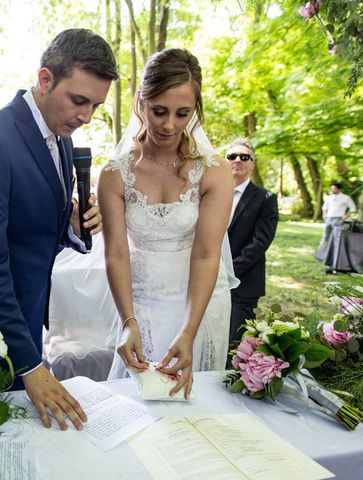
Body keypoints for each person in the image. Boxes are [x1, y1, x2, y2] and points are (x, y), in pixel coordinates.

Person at [0, 28, 117, 431]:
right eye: (79, 100)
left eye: (95, 105)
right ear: (45, 79)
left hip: (25, 327)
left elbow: (31, 232)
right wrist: (30, 364)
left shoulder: (59, 140)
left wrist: (71, 226)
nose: (86, 116)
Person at [99, 49, 233, 398]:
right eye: (158, 111)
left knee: (196, 402)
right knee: (136, 401)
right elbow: (116, 253)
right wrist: (130, 322)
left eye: (182, 113)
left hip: (200, 302)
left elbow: (206, 254)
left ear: (195, 111)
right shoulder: (115, 174)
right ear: (140, 103)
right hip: (139, 301)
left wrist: (189, 332)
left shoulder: (215, 172)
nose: (169, 124)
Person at [226, 138, 278, 348]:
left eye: (244, 156)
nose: (238, 160)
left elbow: (260, 242)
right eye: (232, 156)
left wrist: (227, 272)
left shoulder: (265, 198)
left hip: (243, 282)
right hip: (206, 279)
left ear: (252, 163)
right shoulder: (209, 193)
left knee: (234, 343)